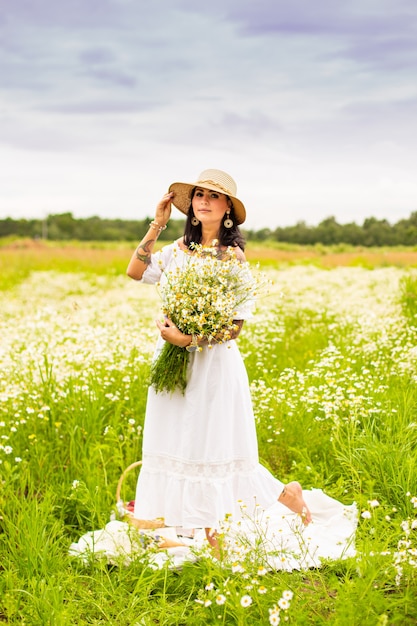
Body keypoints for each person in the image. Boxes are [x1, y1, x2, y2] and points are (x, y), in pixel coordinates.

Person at [126, 169, 312, 552]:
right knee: (177, 441)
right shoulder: (177, 249)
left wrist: (188, 338)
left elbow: (234, 327)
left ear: (228, 208)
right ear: (190, 205)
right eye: (198, 195)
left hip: (212, 363)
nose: (204, 201)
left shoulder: (233, 257)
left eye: (214, 196)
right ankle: (187, 524)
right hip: (173, 361)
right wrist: (157, 224)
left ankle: (235, 521)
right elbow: (136, 271)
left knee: (214, 445)